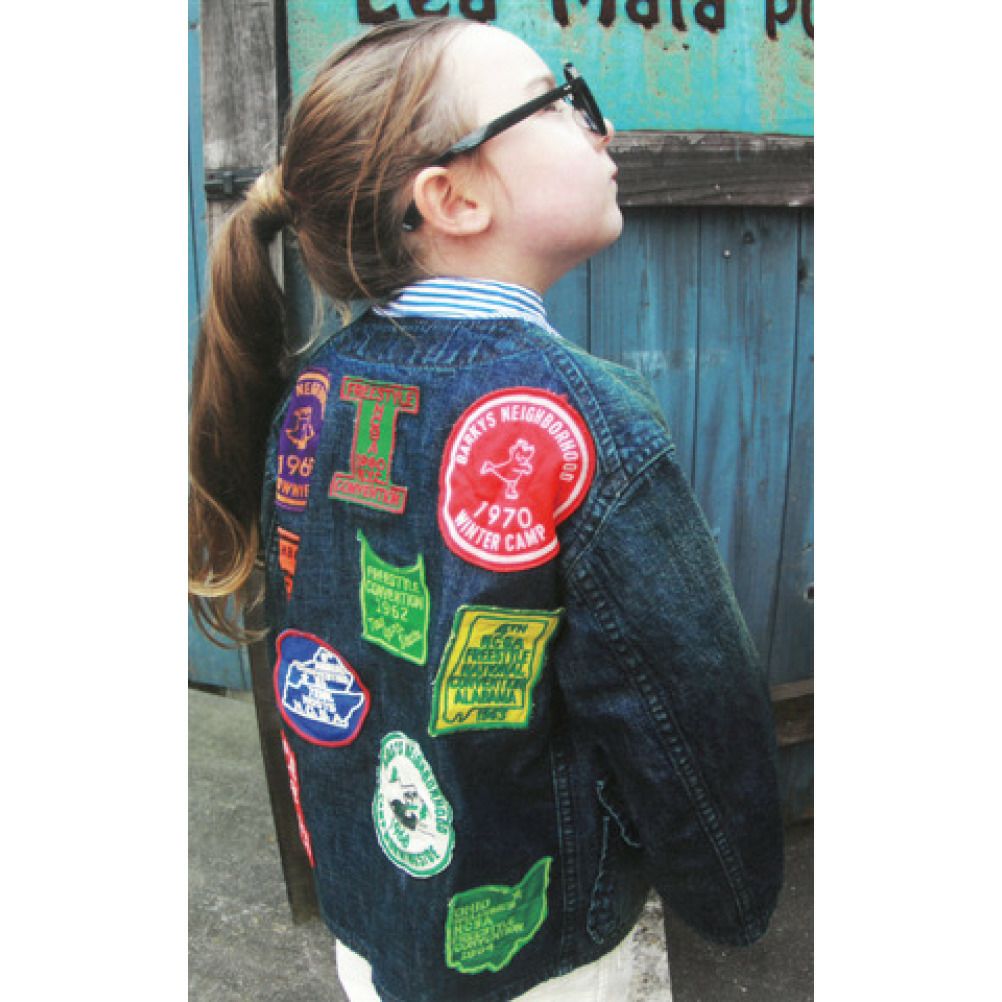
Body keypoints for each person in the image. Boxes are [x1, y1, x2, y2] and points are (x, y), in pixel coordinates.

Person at [189, 16, 784, 1002]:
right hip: (545, 952)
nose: (599, 128)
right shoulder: (584, 423)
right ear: (454, 198)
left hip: (371, 926)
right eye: (560, 102)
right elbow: (688, 715)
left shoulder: (312, 395)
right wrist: (733, 899)